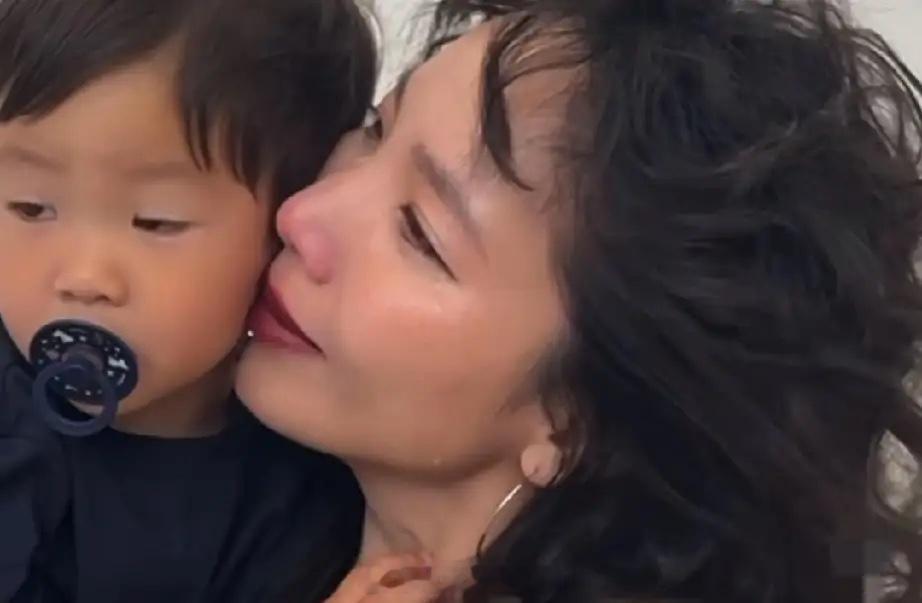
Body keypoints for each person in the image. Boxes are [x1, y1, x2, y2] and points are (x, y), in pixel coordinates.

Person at [236, 0, 922, 601]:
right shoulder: (257, 507)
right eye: (374, 128)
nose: (301, 213)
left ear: (576, 421)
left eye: (421, 234)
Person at [0, 0, 374, 600]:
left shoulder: (301, 491)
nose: (83, 277)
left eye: (157, 221)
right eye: (30, 208)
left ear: (286, 232)